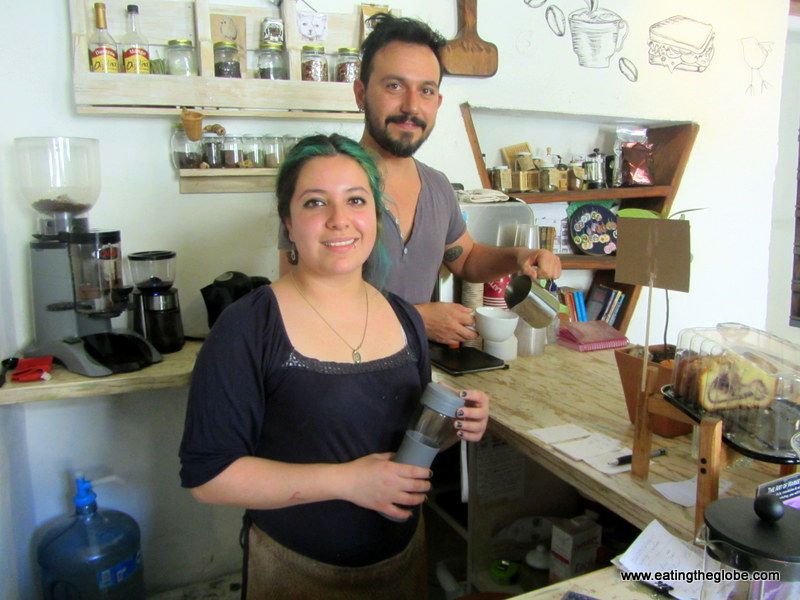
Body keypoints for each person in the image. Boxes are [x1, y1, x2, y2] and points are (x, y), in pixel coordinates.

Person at [180, 134, 490, 599]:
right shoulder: (248, 326)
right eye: (315, 202)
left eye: (357, 200)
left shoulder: (405, 318)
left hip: (404, 563)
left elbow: (403, 447)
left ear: (375, 215)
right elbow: (208, 477)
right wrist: (348, 481)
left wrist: (454, 424)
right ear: (288, 222)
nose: (339, 220)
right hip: (294, 573)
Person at [279, 14, 562, 346]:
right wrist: (414, 319)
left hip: (416, 377)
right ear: (360, 93)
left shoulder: (438, 187)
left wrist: (518, 258)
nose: (411, 106)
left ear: (438, 103)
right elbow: (295, 300)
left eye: (426, 90)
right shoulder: (322, 185)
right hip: (343, 376)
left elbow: (466, 258)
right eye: (394, 86)